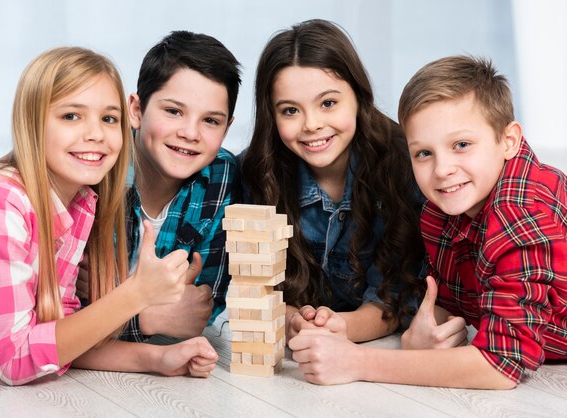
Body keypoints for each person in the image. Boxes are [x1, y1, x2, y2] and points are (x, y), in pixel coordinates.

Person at [0, 47, 217, 386]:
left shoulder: (79, 203)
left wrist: (157, 358)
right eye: (71, 116)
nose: (96, 134)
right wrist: (136, 294)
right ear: (32, 122)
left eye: (108, 119)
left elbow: (59, 338)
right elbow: (17, 360)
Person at [290, 55, 567, 388]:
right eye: (424, 153)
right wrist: (426, 326)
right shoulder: (442, 210)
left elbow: (499, 365)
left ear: (509, 141)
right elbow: (454, 303)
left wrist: (356, 362)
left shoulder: (523, 215)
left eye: (461, 145)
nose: (442, 169)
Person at [240, 20, 424, 354]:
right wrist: (292, 319)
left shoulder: (406, 165)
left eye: (328, 103)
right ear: (272, 114)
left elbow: (398, 295)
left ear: (358, 95)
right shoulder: (258, 171)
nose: (312, 124)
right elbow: (250, 288)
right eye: (290, 110)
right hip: (299, 356)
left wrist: (341, 328)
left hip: (374, 350)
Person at [118, 31, 242, 342]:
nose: (190, 133)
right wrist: (147, 317)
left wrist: (115, 299)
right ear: (136, 110)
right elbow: (66, 315)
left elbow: (197, 308)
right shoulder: (98, 167)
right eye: (173, 111)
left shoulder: (221, 175)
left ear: (227, 128)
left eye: (210, 121)